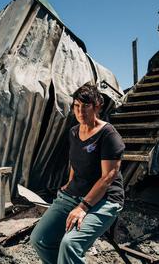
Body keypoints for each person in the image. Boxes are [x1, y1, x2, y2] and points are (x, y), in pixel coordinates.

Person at [30, 83, 125, 264]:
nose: (80, 111)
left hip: (104, 199)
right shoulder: (74, 132)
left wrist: (83, 207)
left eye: (86, 106)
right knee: (40, 239)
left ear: (97, 106)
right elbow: (75, 160)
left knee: (69, 243)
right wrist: (70, 181)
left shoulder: (109, 135)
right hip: (75, 192)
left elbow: (107, 178)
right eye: (76, 106)